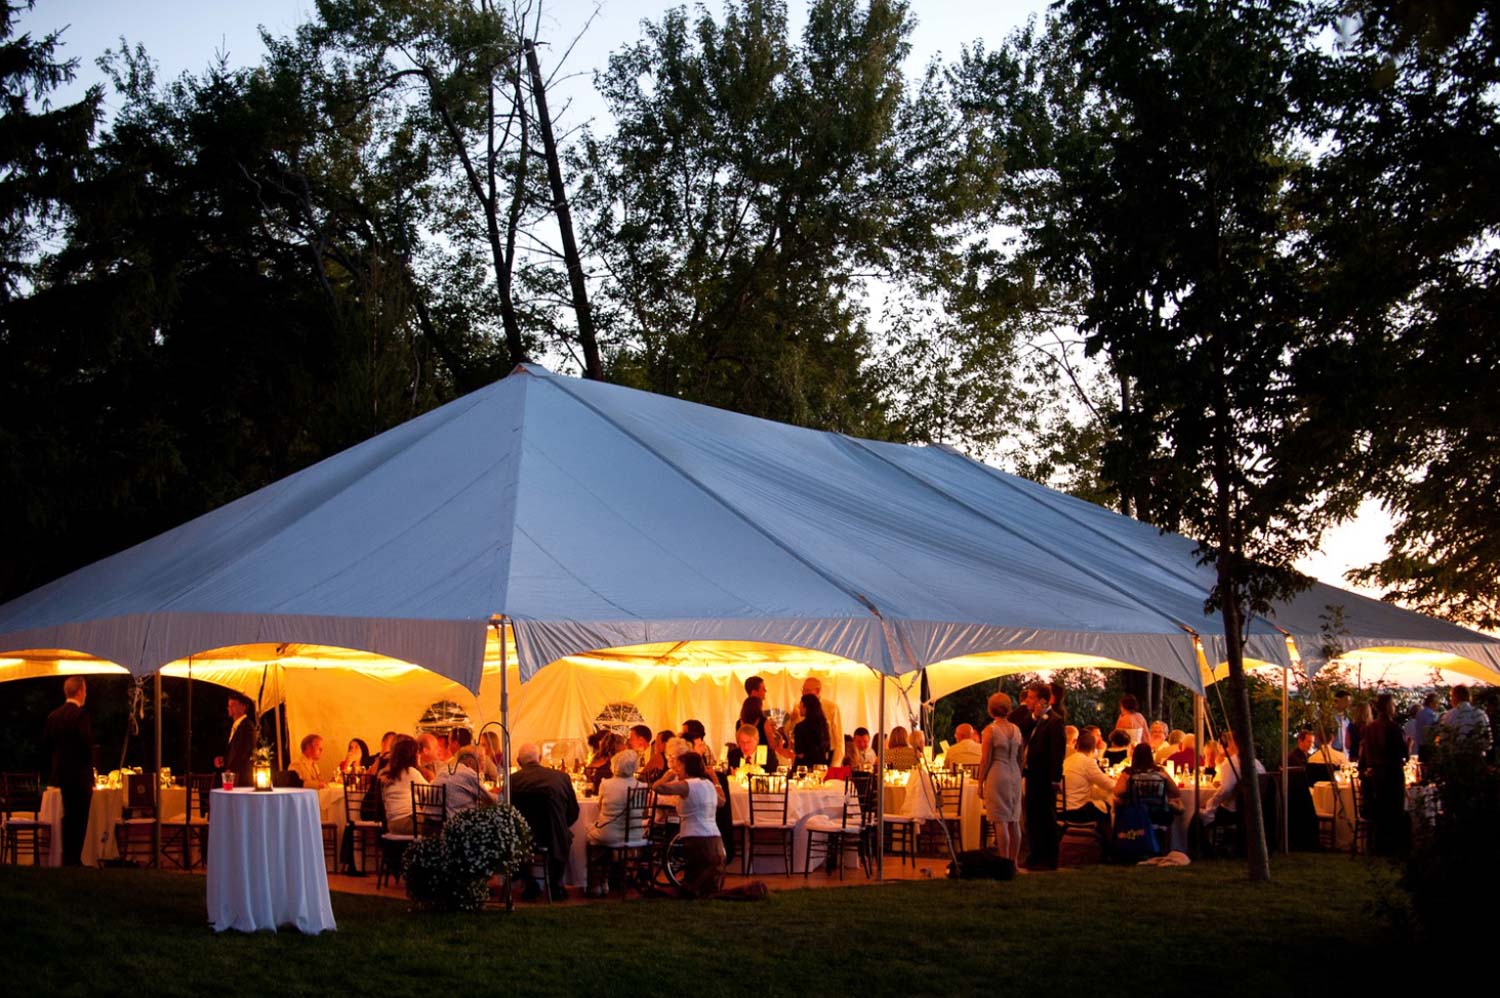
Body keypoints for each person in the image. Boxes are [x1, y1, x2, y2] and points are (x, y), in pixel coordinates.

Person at [510, 742, 580, 901]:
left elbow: (507, 812)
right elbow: (573, 811)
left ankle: (529, 883)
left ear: (518, 761)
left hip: (523, 837)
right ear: (540, 758)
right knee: (566, 836)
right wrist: (561, 825)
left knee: (513, 838)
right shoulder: (561, 778)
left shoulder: (512, 781)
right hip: (554, 834)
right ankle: (556, 883)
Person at [651, 750, 726, 898]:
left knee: (694, 882)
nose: (677, 770)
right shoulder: (708, 784)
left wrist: (667, 776)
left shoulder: (687, 785)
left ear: (687, 767)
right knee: (706, 886)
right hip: (715, 838)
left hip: (696, 837)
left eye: (679, 766)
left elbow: (657, 787)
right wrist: (715, 779)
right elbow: (722, 802)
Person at [43, 676, 94, 866]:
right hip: (80, 775)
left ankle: (67, 857)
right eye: (86, 691)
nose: (86, 694)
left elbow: (47, 746)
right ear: (80, 691)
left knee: (68, 815)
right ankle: (74, 858)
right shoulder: (81, 716)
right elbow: (86, 745)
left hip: (62, 775)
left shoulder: (53, 716)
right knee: (79, 817)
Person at [585, 749, 646, 896]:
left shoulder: (606, 784)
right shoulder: (642, 786)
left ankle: (597, 882)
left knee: (591, 836)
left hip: (609, 834)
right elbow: (643, 812)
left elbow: (600, 807)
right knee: (602, 837)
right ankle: (611, 879)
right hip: (634, 834)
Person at [1023, 683, 1066, 870]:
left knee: (1046, 818)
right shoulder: (1035, 720)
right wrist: (1034, 716)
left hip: (1044, 777)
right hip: (1032, 775)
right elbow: (1023, 730)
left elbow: (1057, 752)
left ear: (1042, 700)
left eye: (1031, 697)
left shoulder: (1055, 722)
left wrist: (1055, 779)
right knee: (1032, 817)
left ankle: (1049, 858)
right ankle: (1035, 854)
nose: (1028, 701)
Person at [1360, 692, 1410, 856]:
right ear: (1388, 707)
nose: (1395, 707)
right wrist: (1409, 745)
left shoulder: (1370, 728)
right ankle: (1392, 846)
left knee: (1380, 810)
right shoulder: (1393, 728)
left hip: (1376, 776)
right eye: (1393, 704)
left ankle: (1378, 845)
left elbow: (1365, 755)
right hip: (1392, 775)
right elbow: (1403, 754)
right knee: (1394, 811)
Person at [977, 692, 1023, 863]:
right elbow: (1020, 758)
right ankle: (1014, 861)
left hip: (998, 773)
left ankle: (1004, 861)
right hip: (1014, 773)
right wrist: (1018, 775)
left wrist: (980, 782)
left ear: (990, 709)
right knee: (1014, 819)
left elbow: (985, 759)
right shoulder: (1016, 730)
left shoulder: (991, 730)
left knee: (1000, 820)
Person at [1200, 731, 1266, 825]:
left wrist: (1209, 804)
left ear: (1229, 745)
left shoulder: (1231, 763)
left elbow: (1225, 790)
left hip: (1236, 812)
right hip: (1256, 811)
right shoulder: (1257, 763)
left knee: (1196, 818)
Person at [1061, 730, 1117, 839]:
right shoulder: (1088, 762)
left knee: (1099, 804)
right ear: (1093, 749)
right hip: (1077, 811)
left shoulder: (1067, 761)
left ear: (1077, 746)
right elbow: (1108, 785)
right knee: (1107, 806)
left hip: (1062, 809)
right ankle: (1106, 843)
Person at [782, 677, 844, 766]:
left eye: (807, 690)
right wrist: (791, 721)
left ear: (818, 691)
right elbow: (789, 734)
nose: (803, 693)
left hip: (825, 757)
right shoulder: (799, 707)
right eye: (802, 690)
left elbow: (839, 741)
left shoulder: (831, 708)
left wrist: (835, 765)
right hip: (804, 757)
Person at [379, 735, 429, 835]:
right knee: (438, 825)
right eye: (417, 753)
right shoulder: (410, 772)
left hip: (392, 824)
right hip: (409, 822)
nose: (419, 755)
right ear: (411, 755)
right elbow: (431, 793)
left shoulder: (386, 774)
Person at [1113, 743, 1182, 814]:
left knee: (1118, 801)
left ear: (1134, 756)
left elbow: (1118, 792)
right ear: (1150, 756)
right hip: (1158, 812)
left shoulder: (1128, 772)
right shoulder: (1159, 771)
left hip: (1135, 812)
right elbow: (1176, 792)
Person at [435, 746, 497, 817]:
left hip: (432, 819)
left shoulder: (444, 770)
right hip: (455, 820)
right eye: (481, 760)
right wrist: (501, 794)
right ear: (470, 762)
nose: (483, 765)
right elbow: (491, 800)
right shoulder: (469, 774)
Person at [214, 693, 256, 788]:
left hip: (242, 776)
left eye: (233, 705)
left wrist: (232, 769)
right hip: (233, 774)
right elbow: (234, 750)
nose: (229, 708)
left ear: (243, 707)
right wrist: (223, 759)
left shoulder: (247, 726)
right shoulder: (235, 726)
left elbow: (243, 751)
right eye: (229, 705)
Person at [1437, 684, 1492, 750]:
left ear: (1455, 697)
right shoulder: (1481, 714)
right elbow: (1488, 740)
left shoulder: (1448, 716)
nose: (1450, 700)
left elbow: (1443, 739)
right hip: (1477, 756)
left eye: (1451, 697)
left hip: (1454, 756)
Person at [791, 694, 832, 769]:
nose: (799, 708)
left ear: (806, 707)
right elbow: (827, 748)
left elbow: (799, 753)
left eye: (801, 705)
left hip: (804, 768)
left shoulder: (800, 727)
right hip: (821, 767)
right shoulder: (824, 725)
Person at [1404, 693, 1441, 762]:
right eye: (1436, 703)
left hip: (1420, 748)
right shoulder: (1430, 715)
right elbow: (1430, 732)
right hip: (1428, 748)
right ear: (1431, 703)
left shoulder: (1420, 714)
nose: (1438, 705)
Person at [1329, 689, 1353, 755]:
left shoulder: (1346, 719)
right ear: (1338, 701)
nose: (1348, 704)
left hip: (1344, 752)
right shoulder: (1330, 717)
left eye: (1349, 701)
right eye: (1346, 701)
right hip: (1332, 751)